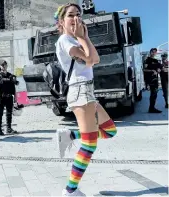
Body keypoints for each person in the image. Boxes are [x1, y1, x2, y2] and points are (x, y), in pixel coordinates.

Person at [54, 4, 118, 196]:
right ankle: (70, 191)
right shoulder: (65, 40)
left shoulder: (76, 40)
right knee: (90, 144)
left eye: (78, 15)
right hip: (80, 91)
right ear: (62, 21)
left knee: (109, 131)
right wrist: (82, 38)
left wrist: (85, 37)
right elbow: (91, 60)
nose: (75, 19)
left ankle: (71, 135)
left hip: (87, 91)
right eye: (71, 15)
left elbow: (94, 59)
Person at [0, 60, 18, 136]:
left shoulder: (10, 75)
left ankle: (9, 128)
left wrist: (15, 96)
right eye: (2, 65)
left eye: (5, 65)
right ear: (0, 67)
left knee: (9, 113)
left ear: (7, 66)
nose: (3, 66)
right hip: (1, 97)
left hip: (9, 97)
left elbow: (14, 86)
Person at [144, 48, 162, 113]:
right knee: (153, 93)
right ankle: (151, 108)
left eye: (155, 52)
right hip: (150, 79)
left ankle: (152, 107)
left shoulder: (156, 61)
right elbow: (144, 69)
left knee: (155, 94)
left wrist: (159, 70)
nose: (154, 53)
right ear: (150, 52)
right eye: (153, 52)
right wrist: (152, 70)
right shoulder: (147, 60)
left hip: (155, 79)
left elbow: (160, 67)